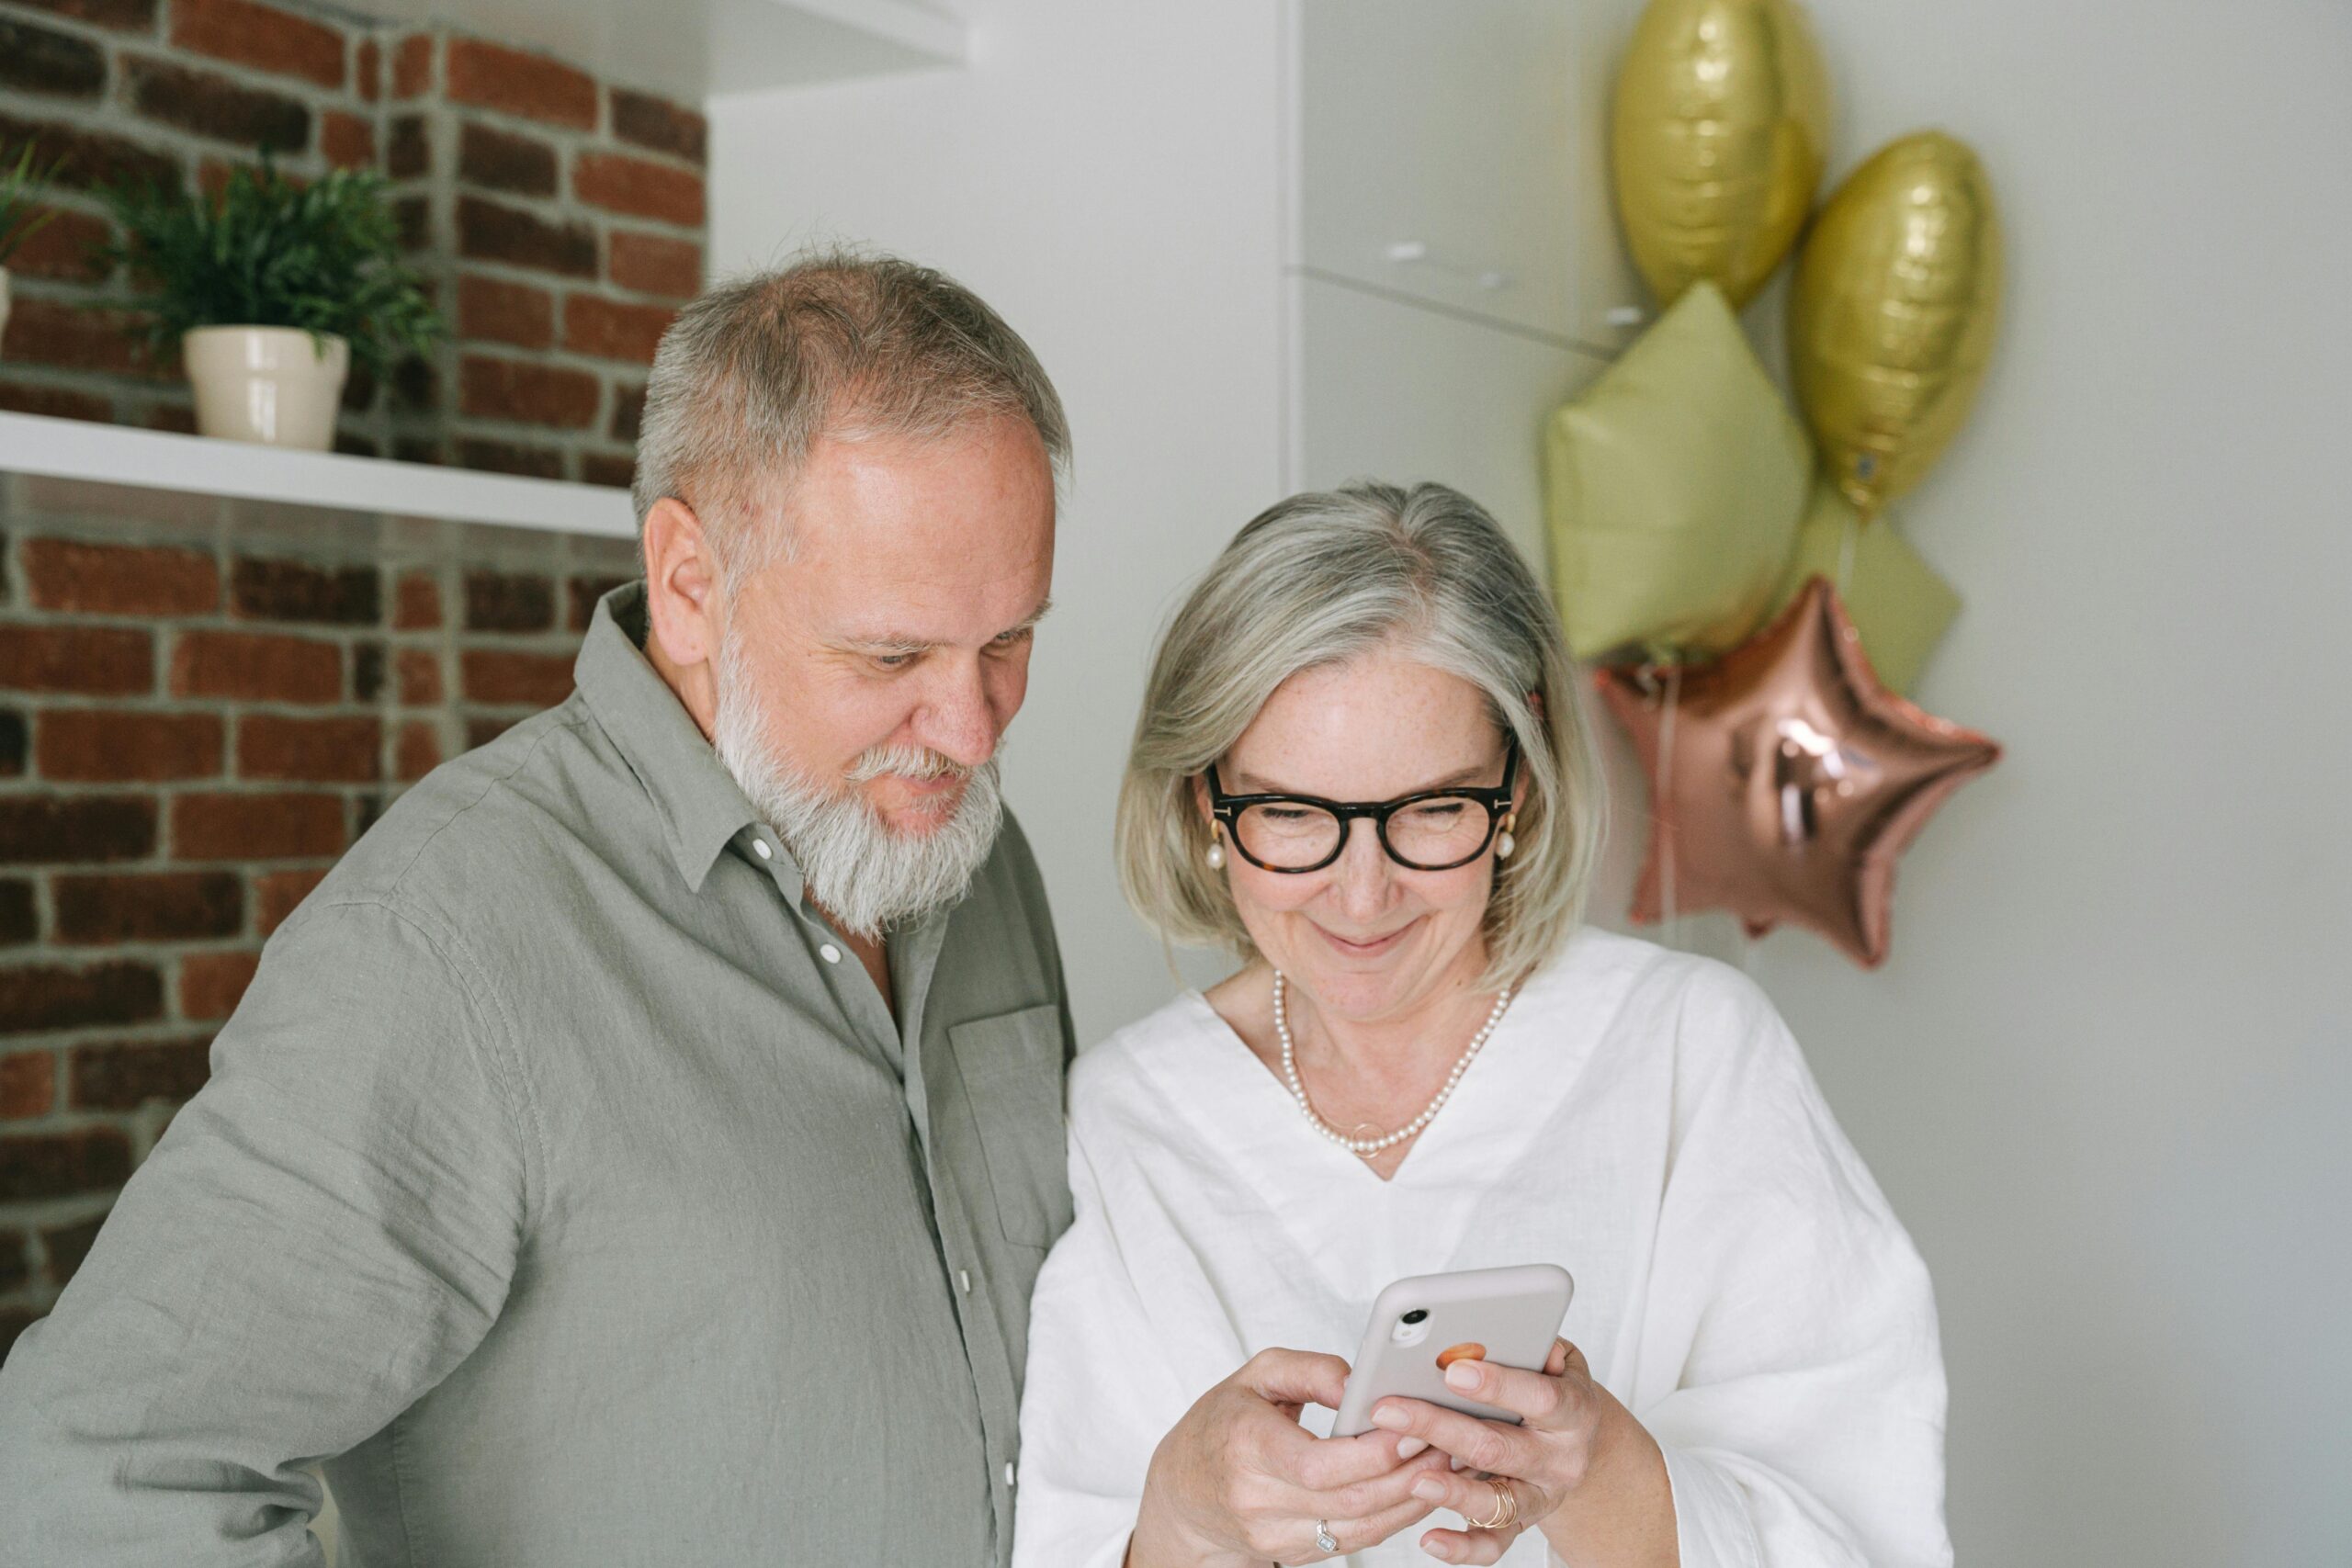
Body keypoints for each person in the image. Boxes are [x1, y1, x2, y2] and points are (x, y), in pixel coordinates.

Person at [0, 251, 1077, 1567]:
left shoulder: (971, 846)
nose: (970, 726)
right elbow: (94, 1473)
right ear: (690, 583)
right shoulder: (443, 939)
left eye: (1010, 642)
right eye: (891, 655)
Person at [1012, 482, 1951, 1568]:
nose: (1361, 898)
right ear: (1199, 805)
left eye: (1432, 810)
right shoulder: (1125, 1119)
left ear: (1518, 793)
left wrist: (1597, 1477)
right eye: (1287, 815)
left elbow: (1861, 1517)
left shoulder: (1689, 1052)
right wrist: (1184, 1522)